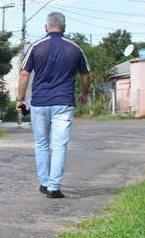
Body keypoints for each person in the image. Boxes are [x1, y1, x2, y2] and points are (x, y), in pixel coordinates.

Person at [16, 12, 90, 198]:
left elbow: (25, 74)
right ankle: (54, 188)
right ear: (64, 28)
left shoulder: (36, 47)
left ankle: (44, 183)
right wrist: (84, 93)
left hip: (39, 102)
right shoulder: (75, 48)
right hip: (64, 103)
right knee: (59, 146)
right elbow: (86, 75)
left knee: (41, 143)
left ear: (46, 27)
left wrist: (20, 98)